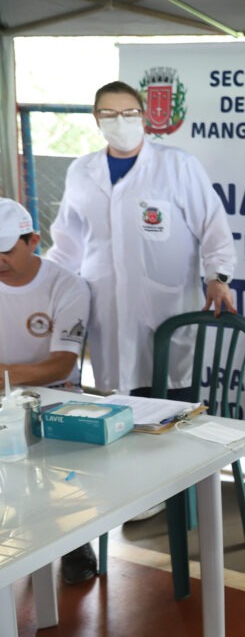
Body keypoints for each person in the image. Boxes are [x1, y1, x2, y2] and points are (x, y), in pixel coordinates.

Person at [48, 81, 236, 399]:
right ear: (96, 119)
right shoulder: (82, 171)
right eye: (109, 113)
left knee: (173, 405)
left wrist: (218, 277)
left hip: (167, 307)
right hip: (107, 308)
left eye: (129, 112)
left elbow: (213, 226)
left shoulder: (177, 166)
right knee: (119, 405)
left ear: (144, 117)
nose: (120, 121)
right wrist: (43, 285)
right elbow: (67, 244)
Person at [0, 197, 97, 584]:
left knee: (64, 469)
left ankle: (75, 542)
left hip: (56, 394)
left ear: (33, 240)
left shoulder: (66, 285)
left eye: (6, 249)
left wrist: (8, 375)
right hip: (6, 394)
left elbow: (62, 364)